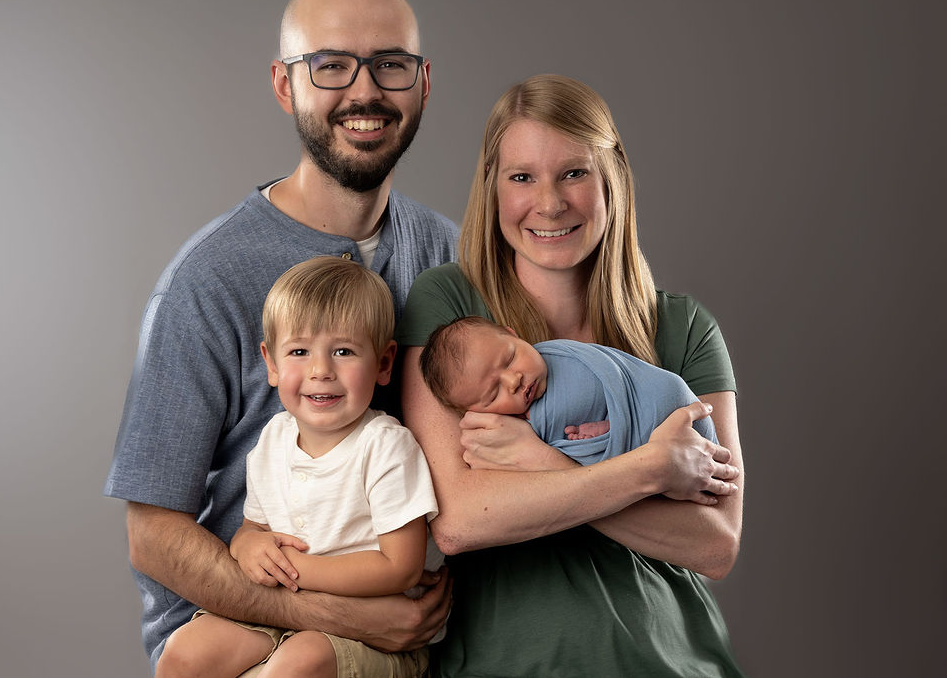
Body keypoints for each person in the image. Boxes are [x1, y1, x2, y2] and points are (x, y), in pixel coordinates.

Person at [104, 0, 457, 671]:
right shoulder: (207, 280)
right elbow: (151, 533)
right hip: (241, 626)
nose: (364, 91)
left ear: (422, 82)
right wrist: (322, 610)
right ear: (284, 84)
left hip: (407, 632)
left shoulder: (451, 255)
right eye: (330, 65)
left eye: (390, 64)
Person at [397, 73, 746, 676]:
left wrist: (538, 463)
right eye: (522, 177)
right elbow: (461, 520)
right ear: (493, 189)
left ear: (613, 181)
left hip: (673, 662)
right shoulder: (450, 307)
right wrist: (649, 470)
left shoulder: (685, 329)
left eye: (575, 173)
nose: (551, 202)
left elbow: (714, 543)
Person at [157, 257, 443, 678]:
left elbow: (400, 567)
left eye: (343, 351)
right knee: (184, 653)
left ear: (383, 363)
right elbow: (255, 527)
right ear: (271, 363)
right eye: (299, 351)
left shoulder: (385, 446)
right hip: (284, 612)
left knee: (299, 664)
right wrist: (246, 546)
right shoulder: (274, 438)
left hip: (374, 631)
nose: (320, 371)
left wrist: (295, 572)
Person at [419, 315, 718, 464]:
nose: (514, 381)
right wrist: (606, 433)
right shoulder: (517, 431)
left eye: (510, 358)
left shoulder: (559, 354)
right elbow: (578, 479)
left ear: (513, 334)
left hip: (668, 400)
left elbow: (617, 372)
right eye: (493, 394)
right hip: (658, 443)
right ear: (476, 413)